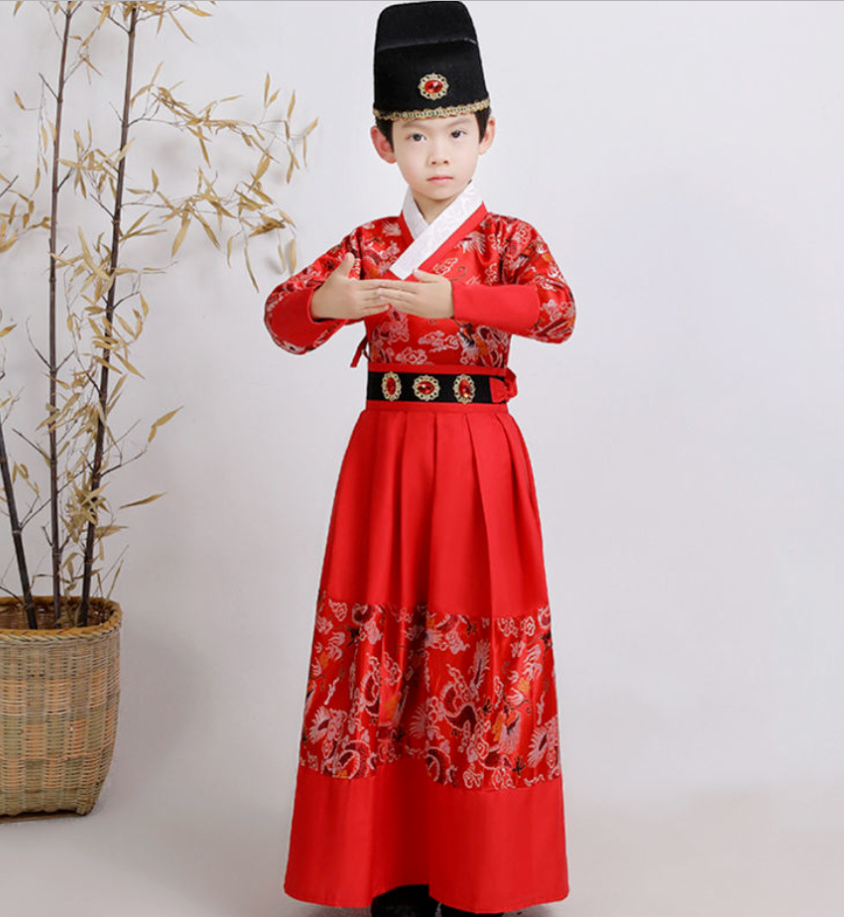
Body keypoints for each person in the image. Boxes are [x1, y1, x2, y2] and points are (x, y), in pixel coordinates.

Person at [264, 2, 575, 915]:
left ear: (487, 134)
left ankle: (487, 871)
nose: (437, 153)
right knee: (382, 639)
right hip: (387, 457)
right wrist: (329, 302)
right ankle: (390, 865)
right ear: (383, 143)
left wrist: (460, 300)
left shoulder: (508, 241)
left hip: (479, 455)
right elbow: (282, 319)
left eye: (455, 132)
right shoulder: (369, 244)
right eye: (415, 135)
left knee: (484, 645)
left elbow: (558, 312)